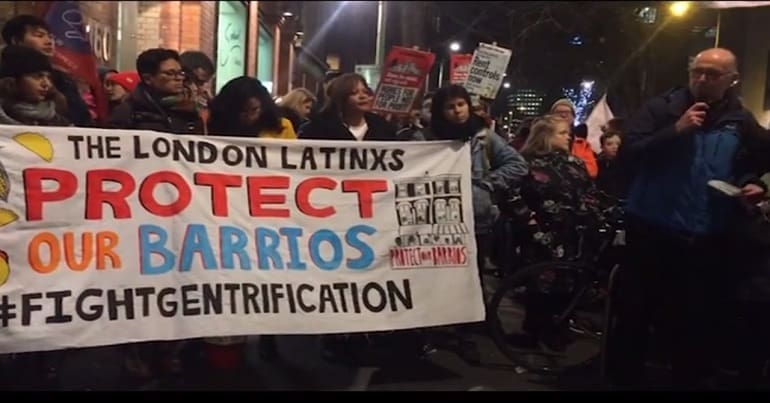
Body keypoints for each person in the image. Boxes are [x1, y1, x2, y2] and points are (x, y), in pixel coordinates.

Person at [608, 48, 770, 389]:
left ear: (732, 80)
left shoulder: (741, 121)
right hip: (651, 232)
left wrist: (752, 183)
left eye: (713, 74)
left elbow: (754, 161)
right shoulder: (660, 109)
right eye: (698, 71)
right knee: (635, 317)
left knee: (694, 326)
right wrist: (675, 130)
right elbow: (628, 155)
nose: (703, 79)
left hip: (704, 240)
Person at [430, 84, 529, 364]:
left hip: (477, 219)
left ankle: (465, 335)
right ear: (441, 111)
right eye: (450, 107)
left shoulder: (483, 137)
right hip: (438, 220)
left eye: (460, 104)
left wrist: (484, 184)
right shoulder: (428, 137)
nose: (457, 111)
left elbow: (518, 165)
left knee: (470, 279)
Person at [517, 116, 611, 350]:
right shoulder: (526, 163)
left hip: (573, 233)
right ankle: (533, 332)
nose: (568, 136)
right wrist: (530, 223)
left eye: (567, 132)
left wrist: (594, 217)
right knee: (539, 285)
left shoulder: (575, 163)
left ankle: (557, 330)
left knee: (567, 283)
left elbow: (589, 194)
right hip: (541, 231)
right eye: (561, 132)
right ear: (545, 135)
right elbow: (515, 195)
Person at [1, 15, 92, 126]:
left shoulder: (63, 80)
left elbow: (82, 121)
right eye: (39, 36)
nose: (49, 41)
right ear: (16, 40)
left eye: (50, 37)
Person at [108, 48, 203, 134]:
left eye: (180, 73)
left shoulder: (189, 109)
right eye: (170, 73)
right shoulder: (127, 111)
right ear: (148, 79)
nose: (179, 78)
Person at [299, 73, 397, 141]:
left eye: (365, 92)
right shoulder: (317, 130)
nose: (362, 96)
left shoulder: (382, 128)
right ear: (341, 98)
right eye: (354, 93)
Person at [0, 45, 69, 126]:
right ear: (13, 81)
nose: (46, 84)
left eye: (49, 77)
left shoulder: (59, 122)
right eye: (38, 76)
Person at [208, 76, 296, 139]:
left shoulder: (283, 127)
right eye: (243, 112)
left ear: (264, 105)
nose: (250, 117)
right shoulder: (217, 125)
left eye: (254, 110)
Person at [550, 99, 598, 178]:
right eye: (559, 112)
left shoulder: (582, 144)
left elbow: (592, 172)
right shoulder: (542, 140)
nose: (563, 115)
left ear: (573, 117)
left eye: (567, 112)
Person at [596, 130, 626, 199]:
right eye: (609, 144)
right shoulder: (598, 164)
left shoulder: (625, 164)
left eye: (618, 144)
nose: (615, 147)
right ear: (602, 147)